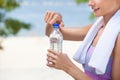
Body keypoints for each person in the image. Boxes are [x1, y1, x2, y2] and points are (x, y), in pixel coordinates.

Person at [44, 0, 120, 80]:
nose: (90, 3)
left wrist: (68, 67)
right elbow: (50, 33)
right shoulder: (95, 29)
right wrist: (54, 20)